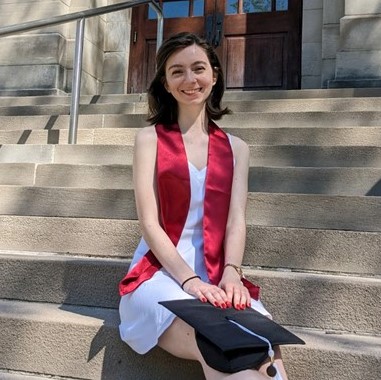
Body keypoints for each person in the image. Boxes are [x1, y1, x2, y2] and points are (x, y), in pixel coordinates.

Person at [119, 32, 289, 380]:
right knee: (220, 344)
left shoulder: (236, 148)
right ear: (165, 83)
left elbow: (235, 220)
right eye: (177, 71)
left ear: (214, 75)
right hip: (163, 274)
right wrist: (190, 281)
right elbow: (149, 224)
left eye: (198, 68)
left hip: (218, 273)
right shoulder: (150, 140)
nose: (190, 80)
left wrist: (231, 272)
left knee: (265, 349)